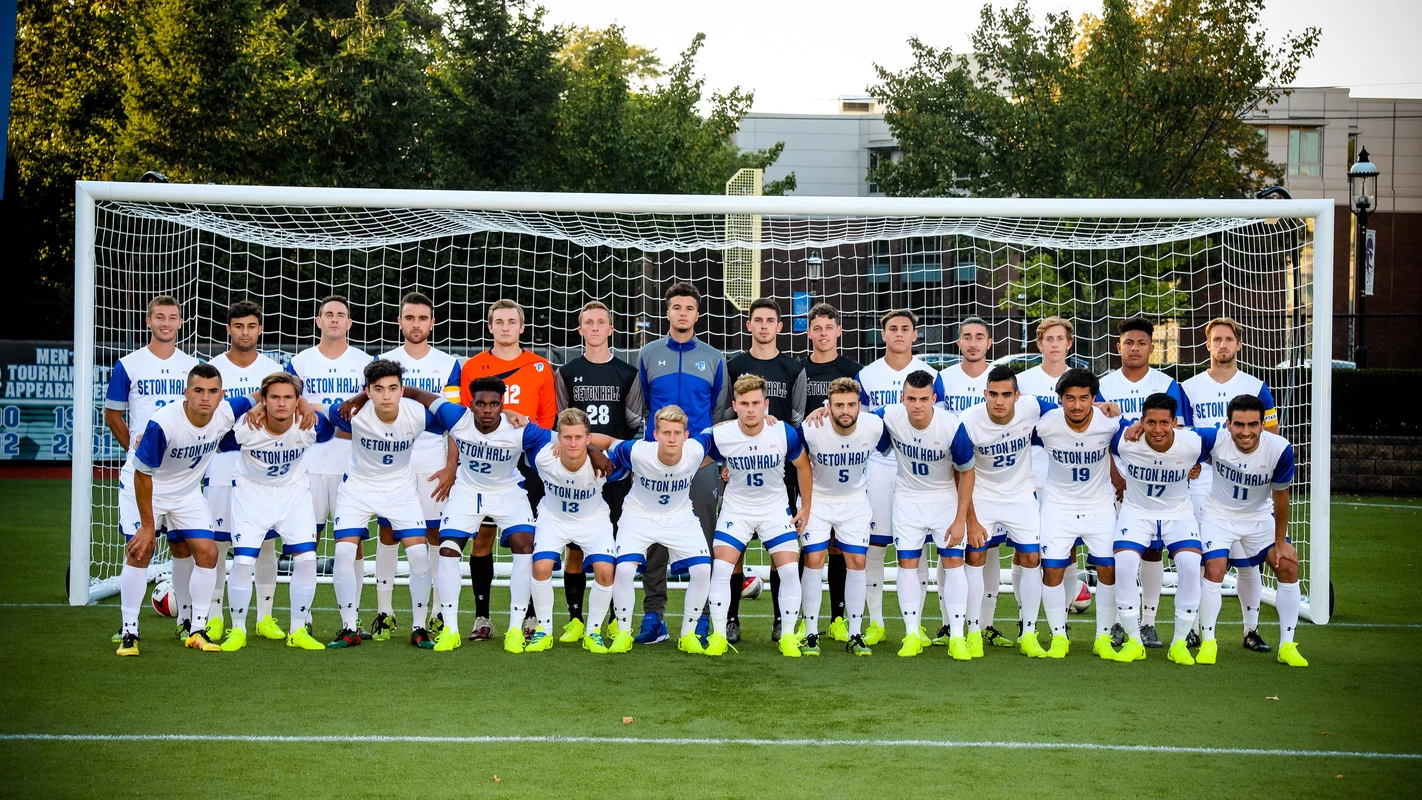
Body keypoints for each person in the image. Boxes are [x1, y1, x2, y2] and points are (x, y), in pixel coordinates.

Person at [115, 364, 310, 655]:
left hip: (186, 492)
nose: (205, 397)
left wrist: (296, 402)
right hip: (145, 489)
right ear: (186, 392)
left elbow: (271, 392)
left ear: (222, 394)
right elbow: (142, 476)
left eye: (212, 391)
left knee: (207, 553)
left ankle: (197, 629)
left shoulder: (228, 411)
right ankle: (130, 631)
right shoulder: (164, 423)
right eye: (198, 391)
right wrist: (147, 526)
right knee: (140, 551)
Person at [624, 282, 729, 645]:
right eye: (676, 307)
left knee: (702, 538)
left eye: (689, 308)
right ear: (667, 312)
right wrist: (646, 449)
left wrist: (711, 456)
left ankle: (698, 618)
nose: (682, 313)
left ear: (697, 314)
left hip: (698, 465)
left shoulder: (714, 358)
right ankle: (654, 615)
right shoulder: (649, 354)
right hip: (655, 463)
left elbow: (721, 412)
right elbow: (637, 407)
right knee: (652, 539)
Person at [325, 360, 451, 650]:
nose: (386, 396)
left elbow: (452, 421)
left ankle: (419, 628)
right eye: (378, 389)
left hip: (400, 491)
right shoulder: (352, 413)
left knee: (419, 555)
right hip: (358, 488)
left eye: (393, 388)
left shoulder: (417, 414)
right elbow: (320, 415)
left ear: (402, 390)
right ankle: (348, 628)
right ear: (367, 392)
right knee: (343, 552)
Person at [418, 377, 550, 653]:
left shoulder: (520, 430)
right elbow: (417, 394)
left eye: (494, 404)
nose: (487, 410)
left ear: (503, 406)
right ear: (471, 405)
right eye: (481, 404)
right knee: (448, 550)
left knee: (525, 547)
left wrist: (593, 451)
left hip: (508, 493)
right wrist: (363, 397)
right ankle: (450, 630)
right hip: (467, 492)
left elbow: (565, 439)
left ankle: (515, 629)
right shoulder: (456, 417)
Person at [457, 300, 558, 642]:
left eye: (511, 322)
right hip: (484, 463)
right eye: (498, 321)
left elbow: (547, 420)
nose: (504, 327)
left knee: (527, 539)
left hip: (526, 463)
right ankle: (482, 617)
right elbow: (462, 418)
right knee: (482, 536)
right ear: (489, 327)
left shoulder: (540, 366)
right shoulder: (472, 366)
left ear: (522, 327)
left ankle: (529, 616)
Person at [104, 295, 201, 639]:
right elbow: (112, 414)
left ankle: (185, 621)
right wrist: (135, 444)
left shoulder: (193, 367)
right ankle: (129, 627)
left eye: (172, 317)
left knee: (182, 546)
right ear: (148, 322)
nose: (165, 323)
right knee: (140, 548)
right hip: (141, 472)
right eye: (159, 317)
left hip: (181, 474)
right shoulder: (128, 365)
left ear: (179, 323)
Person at [1181, 316, 1279, 654]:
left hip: (1245, 484)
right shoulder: (1189, 387)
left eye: (1229, 339)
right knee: (1198, 560)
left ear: (1238, 344)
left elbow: (1272, 435)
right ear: (1207, 345)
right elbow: (1184, 436)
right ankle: (1194, 628)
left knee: (1249, 560)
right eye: (1216, 339)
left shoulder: (1257, 387)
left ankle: (1251, 630)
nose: (1223, 345)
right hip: (1202, 484)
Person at [218, 372, 333, 652]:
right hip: (252, 493)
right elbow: (221, 441)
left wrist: (307, 404)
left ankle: (297, 629)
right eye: (274, 398)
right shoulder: (246, 427)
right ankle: (238, 630)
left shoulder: (309, 424)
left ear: (296, 401)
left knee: (307, 559)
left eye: (288, 397)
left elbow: (335, 424)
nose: (282, 403)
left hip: (293, 492)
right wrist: (254, 406)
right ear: (264, 400)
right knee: (244, 562)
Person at [1096, 316, 1190, 649]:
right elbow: (1096, 437)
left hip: (1156, 482)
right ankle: (1122, 622)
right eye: (1129, 343)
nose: (1135, 349)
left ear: (1151, 346)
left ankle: (1148, 622)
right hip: (1114, 479)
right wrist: (1114, 474)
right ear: (1118, 346)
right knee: (1116, 551)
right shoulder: (1104, 385)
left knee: (1152, 551)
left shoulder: (1166, 384)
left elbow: (1180, 433)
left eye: (1142, 343)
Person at [1194, 395, 1307, 667]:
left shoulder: (1280, 450)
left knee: (1288, 565)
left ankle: (1288, 645)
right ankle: (1208, 642)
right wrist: (1190, 466)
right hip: (1218, 515)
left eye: (1253, 425)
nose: (1246, 432)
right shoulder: (1212, 439)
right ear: (1228, 424)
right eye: (1239, 425)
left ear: (1262, 425)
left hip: (1258, 516)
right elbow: (1172, 440)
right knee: (1215, 568)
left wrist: (1280, 541)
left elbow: (1281, 497)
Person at [705, 374, 813, 658]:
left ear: (766, 404)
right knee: (721, 570)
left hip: (774, 509)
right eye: (744, 403)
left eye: (756, 403)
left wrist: (806, 507)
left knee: (790, 570)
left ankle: (788, 636)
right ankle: (718, 635)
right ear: (735, 405)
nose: (750, 409)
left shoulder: (783, 432)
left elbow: (803, 467)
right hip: (736, 510)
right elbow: (691, 458)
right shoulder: (721, 434)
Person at [373, 292, 461, 641]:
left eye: (422, 319)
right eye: (409, 318)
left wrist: (452, 466)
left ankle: (438, 612)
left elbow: (454, 421)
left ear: (432, 323)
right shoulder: (384, 360)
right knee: (388, 532)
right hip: (393, 462)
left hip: (432, 461)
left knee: (435, 534)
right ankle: (384, 612)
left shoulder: (448, 364)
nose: (416, 324)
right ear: (400, 321)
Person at [553, 301, 642, 642]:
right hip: (576, 472)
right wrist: (588, 448)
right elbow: (560, 425)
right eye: (587, 322)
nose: (594, 327)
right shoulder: (566, 372)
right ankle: (576, 620)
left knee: (618, 546)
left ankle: (617, 621)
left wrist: (616, 452)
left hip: (616, 473)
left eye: (600, 322)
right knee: (575, 546)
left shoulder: (626, 373)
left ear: (610, 329)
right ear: (580, 330)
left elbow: (635, 426)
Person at [851, 309, 942, 646]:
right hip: (877, 465)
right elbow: (856, 418)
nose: (899, 334)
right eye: (893, 328)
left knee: (912, 549)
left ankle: (914, 625)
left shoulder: (932, 374)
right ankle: (875, 622)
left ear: (915, 335)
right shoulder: (868, 374)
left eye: (906, 328)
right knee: (874, 547)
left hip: (917, 470)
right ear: (883, 334)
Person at [591, 407, 714, 655]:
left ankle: (688, 634)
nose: (671, 438)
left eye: (677, 433)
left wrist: (765, 419)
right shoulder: (638, 452)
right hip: (639, 515)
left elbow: (724, 431)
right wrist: (578, 442)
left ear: (686, 435)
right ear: (655, 434)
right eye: (665, 432)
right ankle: (624, 634)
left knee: (703, 569)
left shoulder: (696, 450)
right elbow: (607, 441)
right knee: (624, 570)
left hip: (679, 516)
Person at [957, 366, 1061, 658]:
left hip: (1020, 495)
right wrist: (971, 519)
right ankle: (974, 632)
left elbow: (1067, 411)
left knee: (1031, 557)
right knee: (976, 555)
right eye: (993, 394)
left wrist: (1103, 408)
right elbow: (960, 472)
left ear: (1017, 395)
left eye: (1006, 395)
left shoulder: (1032, 407)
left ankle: (1029, 633)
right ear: (984, 394)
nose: (999, 401)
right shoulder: (967, 422)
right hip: (983, 496)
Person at [873, 369, 975, 659]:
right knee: (907, 564)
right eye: (911, 398)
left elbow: (967, 472)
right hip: (907, 498)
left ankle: (957, 636)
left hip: (944, 498)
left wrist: (960, 518)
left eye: (923, 399)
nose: (917, 405)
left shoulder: (952, 426)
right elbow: (852, 419)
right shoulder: (888, 417)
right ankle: (912, 633)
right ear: (902, 398)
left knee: (954, 563)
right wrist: (822, 411)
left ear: (934, 398)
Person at [722, 298, 807, 643]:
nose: (763, 326)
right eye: (757, 320)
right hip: (741, 469)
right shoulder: (734, 365)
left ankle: (780, 620)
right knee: (735, 547)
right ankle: (731, 619)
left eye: (770, 320)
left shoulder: (792, 368)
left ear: (779, 327)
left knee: (782, 548)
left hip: (780, 470)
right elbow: (726, 417)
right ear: (749, 326)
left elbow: (798, 416)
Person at [285, 296, 372, 632]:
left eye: (341, 315)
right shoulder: (301, 362)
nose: (335, 319)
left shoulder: (365, 361)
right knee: (306, 541)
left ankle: (351, 618)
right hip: (308, 464)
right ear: (318, 321)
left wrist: (322, 412)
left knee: (353, 544)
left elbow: (370, 409)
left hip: (352, 466)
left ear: (350, 324)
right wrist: (334, 413)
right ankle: (302, 616)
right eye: (328, 315)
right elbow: (291, 406)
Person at [203, 301, 284, 644]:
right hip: (221, 461)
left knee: (265, 544)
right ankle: (215, 616)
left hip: (262, 466)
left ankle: (264, 617)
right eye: (239, 326)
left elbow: (285, 409)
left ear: (260, 329)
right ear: (229, 329)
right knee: (219, 544)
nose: (245, 332)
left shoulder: (273, 367)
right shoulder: (211, 368)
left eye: (252, 326)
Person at [1110, 393, 1208, 665]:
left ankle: (1179, 642)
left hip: (1178, 512)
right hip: (1136, 511)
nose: (1157, 429)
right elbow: (1100, 423)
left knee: (1190, 564)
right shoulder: (1126, 439)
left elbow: (1227, 444)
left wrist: (1197, 466)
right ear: (1141, 421)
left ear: (1176, 422)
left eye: (1164, 422)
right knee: (1125, 562)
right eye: (1150, 422)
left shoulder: (1194, 442)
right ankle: (1133, 640)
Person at [1035, 368, 1125, 660]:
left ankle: (1103, 637)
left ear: (1093, 398)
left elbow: (1143, 437)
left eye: (1084, 398)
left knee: (1109, 569)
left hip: (1099, 505)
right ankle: (1059, 636)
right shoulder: (1046, 424)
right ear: (1060, 399)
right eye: (1069, 398)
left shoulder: (1110, 424)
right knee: (1051, 569)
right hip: (1058, 506)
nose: (1076, 405)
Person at [938, 317, 1014, 650]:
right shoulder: (943, 379)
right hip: (949, 471)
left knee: (989, 547)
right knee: (950, 549)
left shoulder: (1001, 376)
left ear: (989, 342)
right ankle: (947, 623)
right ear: (958, 342)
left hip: (992, 475)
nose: (973, 343)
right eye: (966, 337)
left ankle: (985, 624)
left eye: (979, 337)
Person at [798, 377, 883, 655]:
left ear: (860, 406)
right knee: (813, 559)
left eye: (851, 405)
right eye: (838, 405)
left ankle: (855, 633)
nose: (845, 411)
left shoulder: (875, 425)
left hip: (854, 501)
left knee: (857, 561)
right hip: (819, 501)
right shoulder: (811, 428)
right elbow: (790, 454)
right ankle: (810, 632)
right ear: (828, 406)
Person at [526, 409, 619, 653]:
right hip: (554, 518)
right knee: (541, 567)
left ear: (589, 438)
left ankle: (593, 632)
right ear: (558, 438)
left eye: (579, 438)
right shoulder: (543, 458)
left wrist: (595, 452)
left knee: (606, 570)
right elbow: (524, 430)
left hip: (592, 520)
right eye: (567, 437)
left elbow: (628, 453)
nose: (573, 443)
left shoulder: (605, 463)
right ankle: (543, 632)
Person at [800, 303, 862, 643]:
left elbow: (860, 417)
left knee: (842, 547)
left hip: (846, 472)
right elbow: (795, 414)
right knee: (808, 548)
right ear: (809, 333)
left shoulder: (853, 370)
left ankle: (839, 617)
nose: (823, 333)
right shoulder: (800, 371)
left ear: (838, 331)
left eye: (829, 327)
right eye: (817, 328)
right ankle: (794, 619)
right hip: (808, 468)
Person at [1016, 316, 1083, 616]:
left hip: (1068, 477)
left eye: (1060, 339)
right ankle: (1023, 615)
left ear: (1069, 343)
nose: (1055, 344)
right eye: (1049, 339)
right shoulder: (1024, 381)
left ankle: (1063, 616)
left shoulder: (1082, 378)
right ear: (1039, 343)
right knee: (1024, 549)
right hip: (1028, 471)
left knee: (1066, 550)